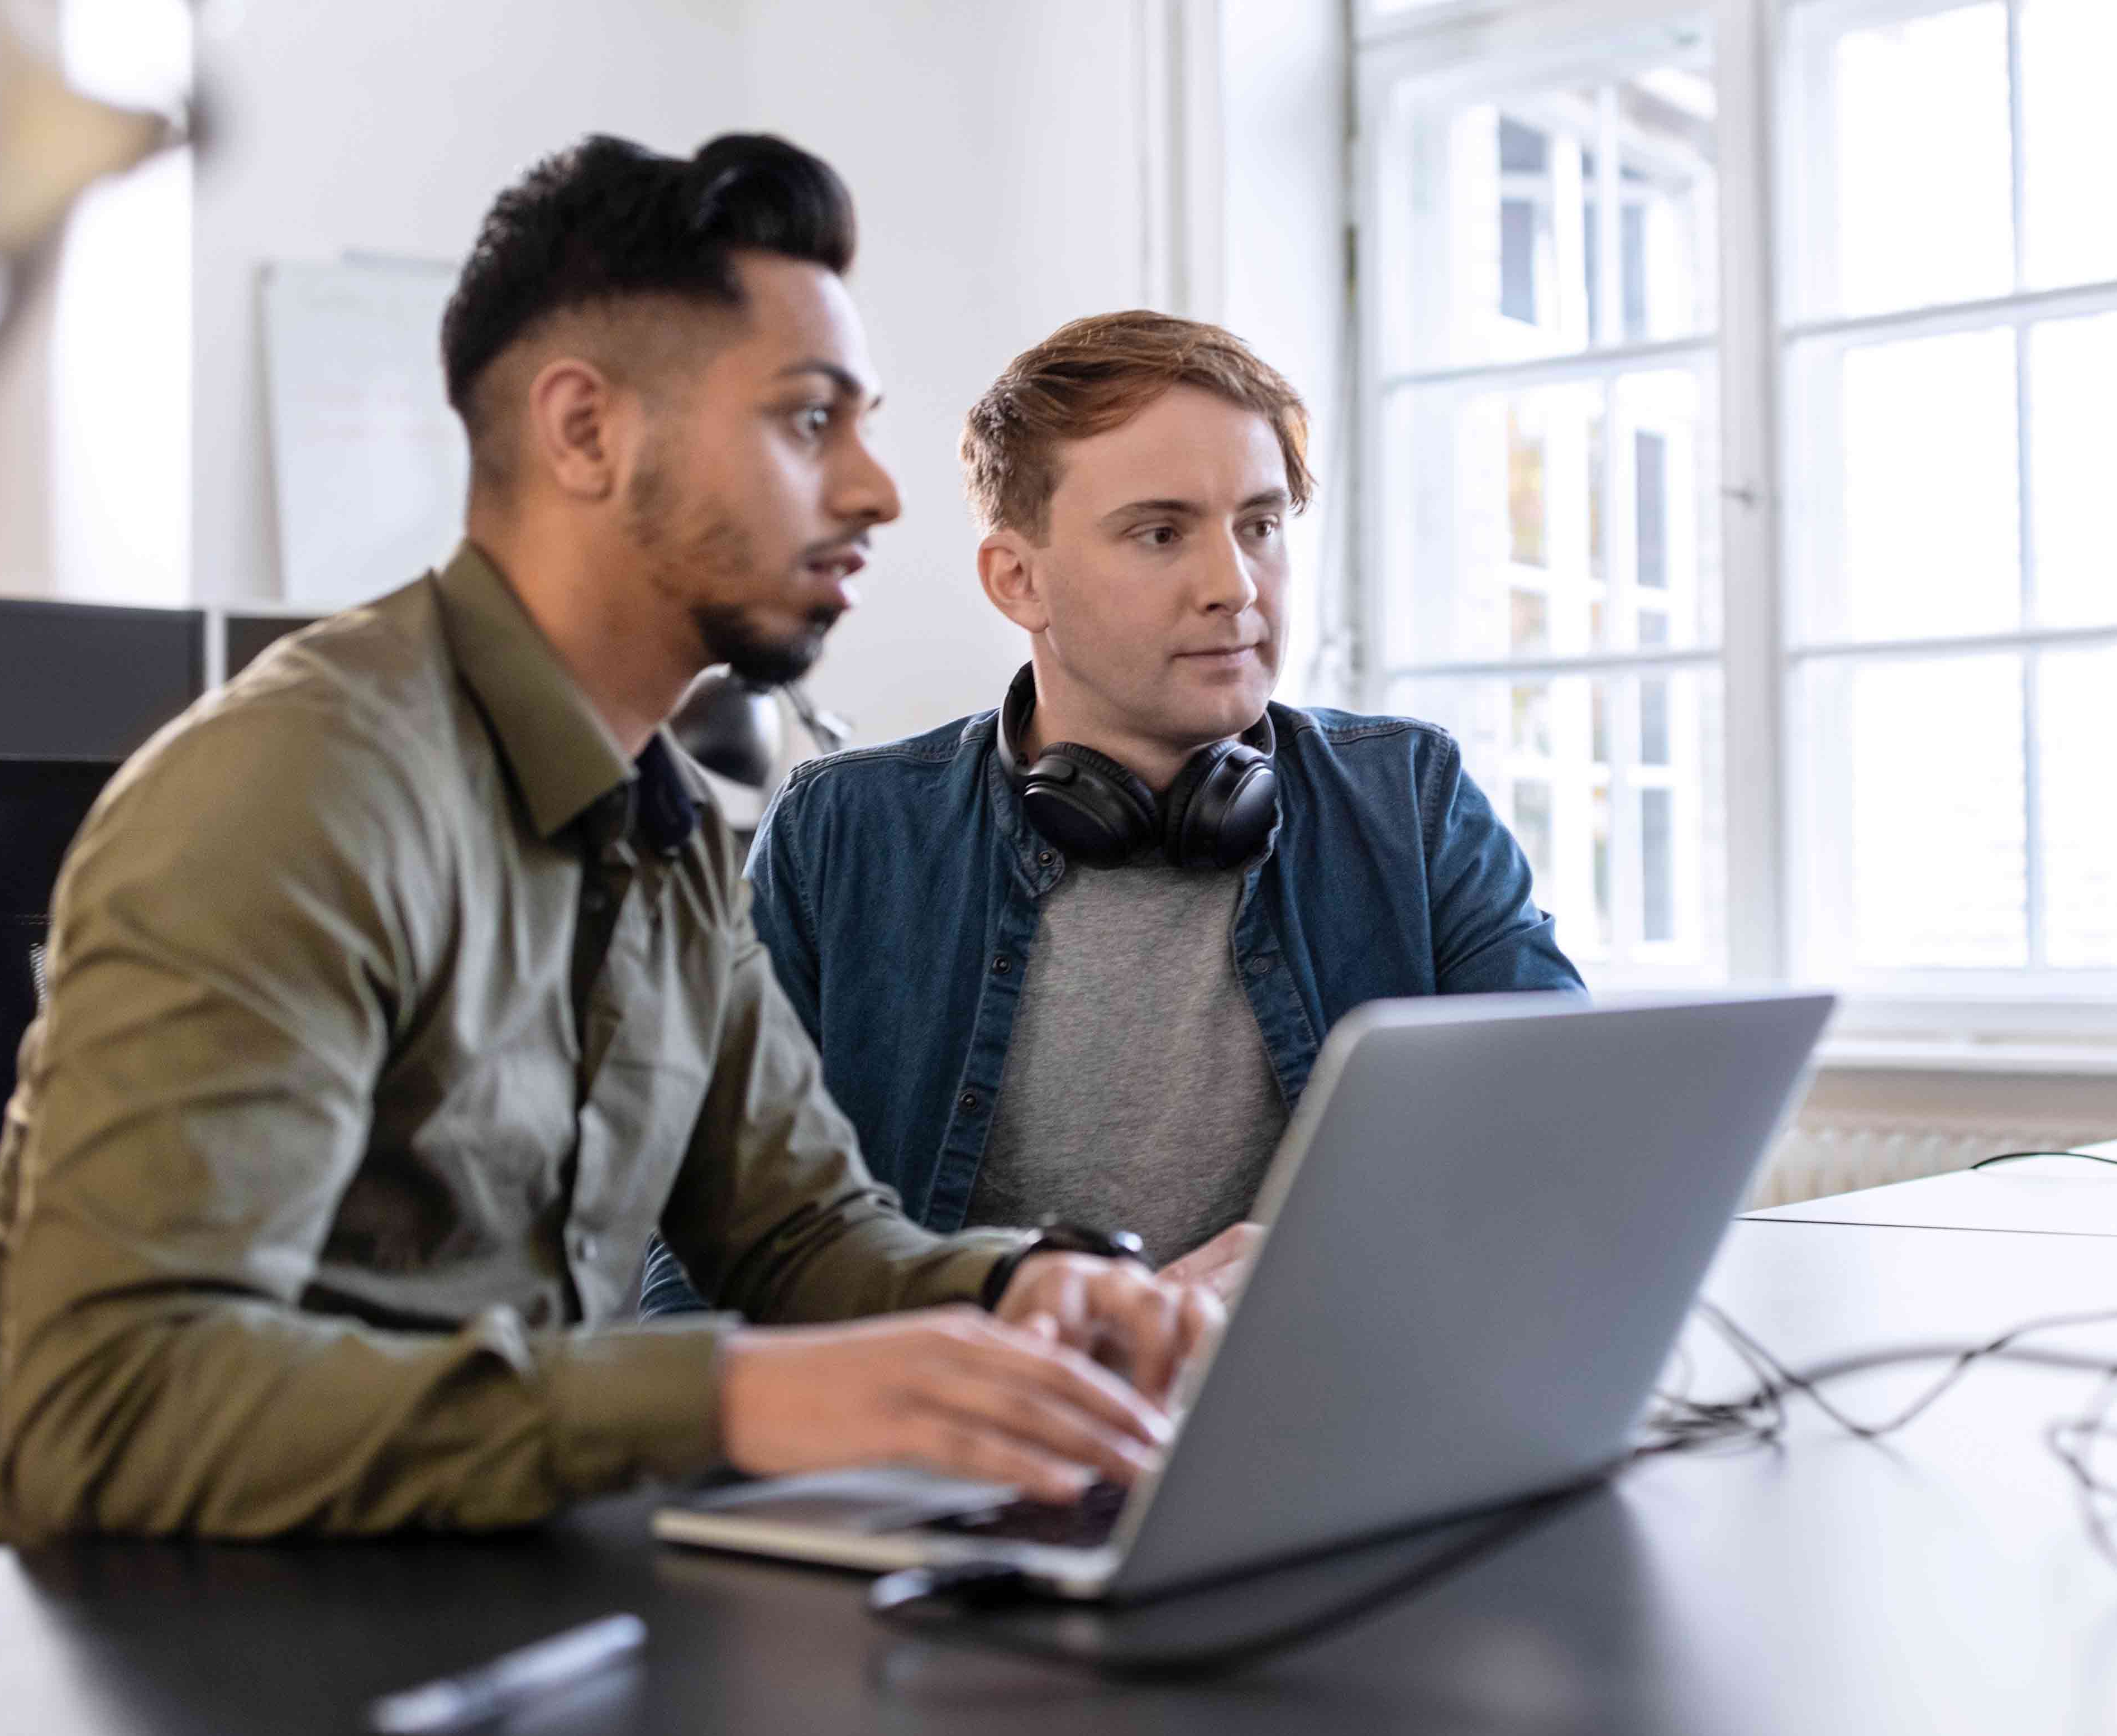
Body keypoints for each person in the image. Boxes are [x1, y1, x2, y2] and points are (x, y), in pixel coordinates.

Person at [0, 135, 1220, 1558]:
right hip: (92, 1645)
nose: (877, 489)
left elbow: (798, 1238)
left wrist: (1024, 1293)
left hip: (432, 1606)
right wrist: (728, 1395)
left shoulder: (669, 822)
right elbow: (119, 1411)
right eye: (808, 421)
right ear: (586, 431)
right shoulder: (297, 796)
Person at [640, 312, 1579, 1322]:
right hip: (975, 1441)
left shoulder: (1411, 797)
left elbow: (1572, 1143)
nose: (1234, 587)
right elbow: (698, 1276)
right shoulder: (842, 835)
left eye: (1260, 525)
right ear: (1019, 579)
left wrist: (1334, 1252)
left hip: (1336, 1395)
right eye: (1161, 532)